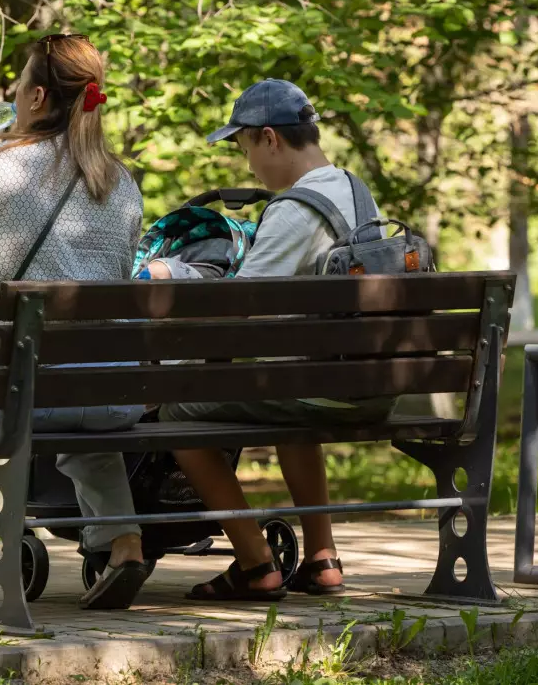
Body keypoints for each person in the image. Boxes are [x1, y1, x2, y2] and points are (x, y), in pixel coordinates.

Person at [0, 34, 152, 614]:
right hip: (108, 394)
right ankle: (124, 545)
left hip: (9, 396)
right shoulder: (119, 182)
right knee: (83, 422)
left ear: (39, 97)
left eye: (18, 86)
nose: (13, 95)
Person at [150, 79, 397, 601]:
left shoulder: (292, 210)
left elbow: (239, 311)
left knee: (178, 413)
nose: (248, 168)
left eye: (245, 150)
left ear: (270, 138)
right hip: (371, 382)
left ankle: (254, 562)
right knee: (293, 396)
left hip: (323, 386)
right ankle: (322, 558)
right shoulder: (355, 188)